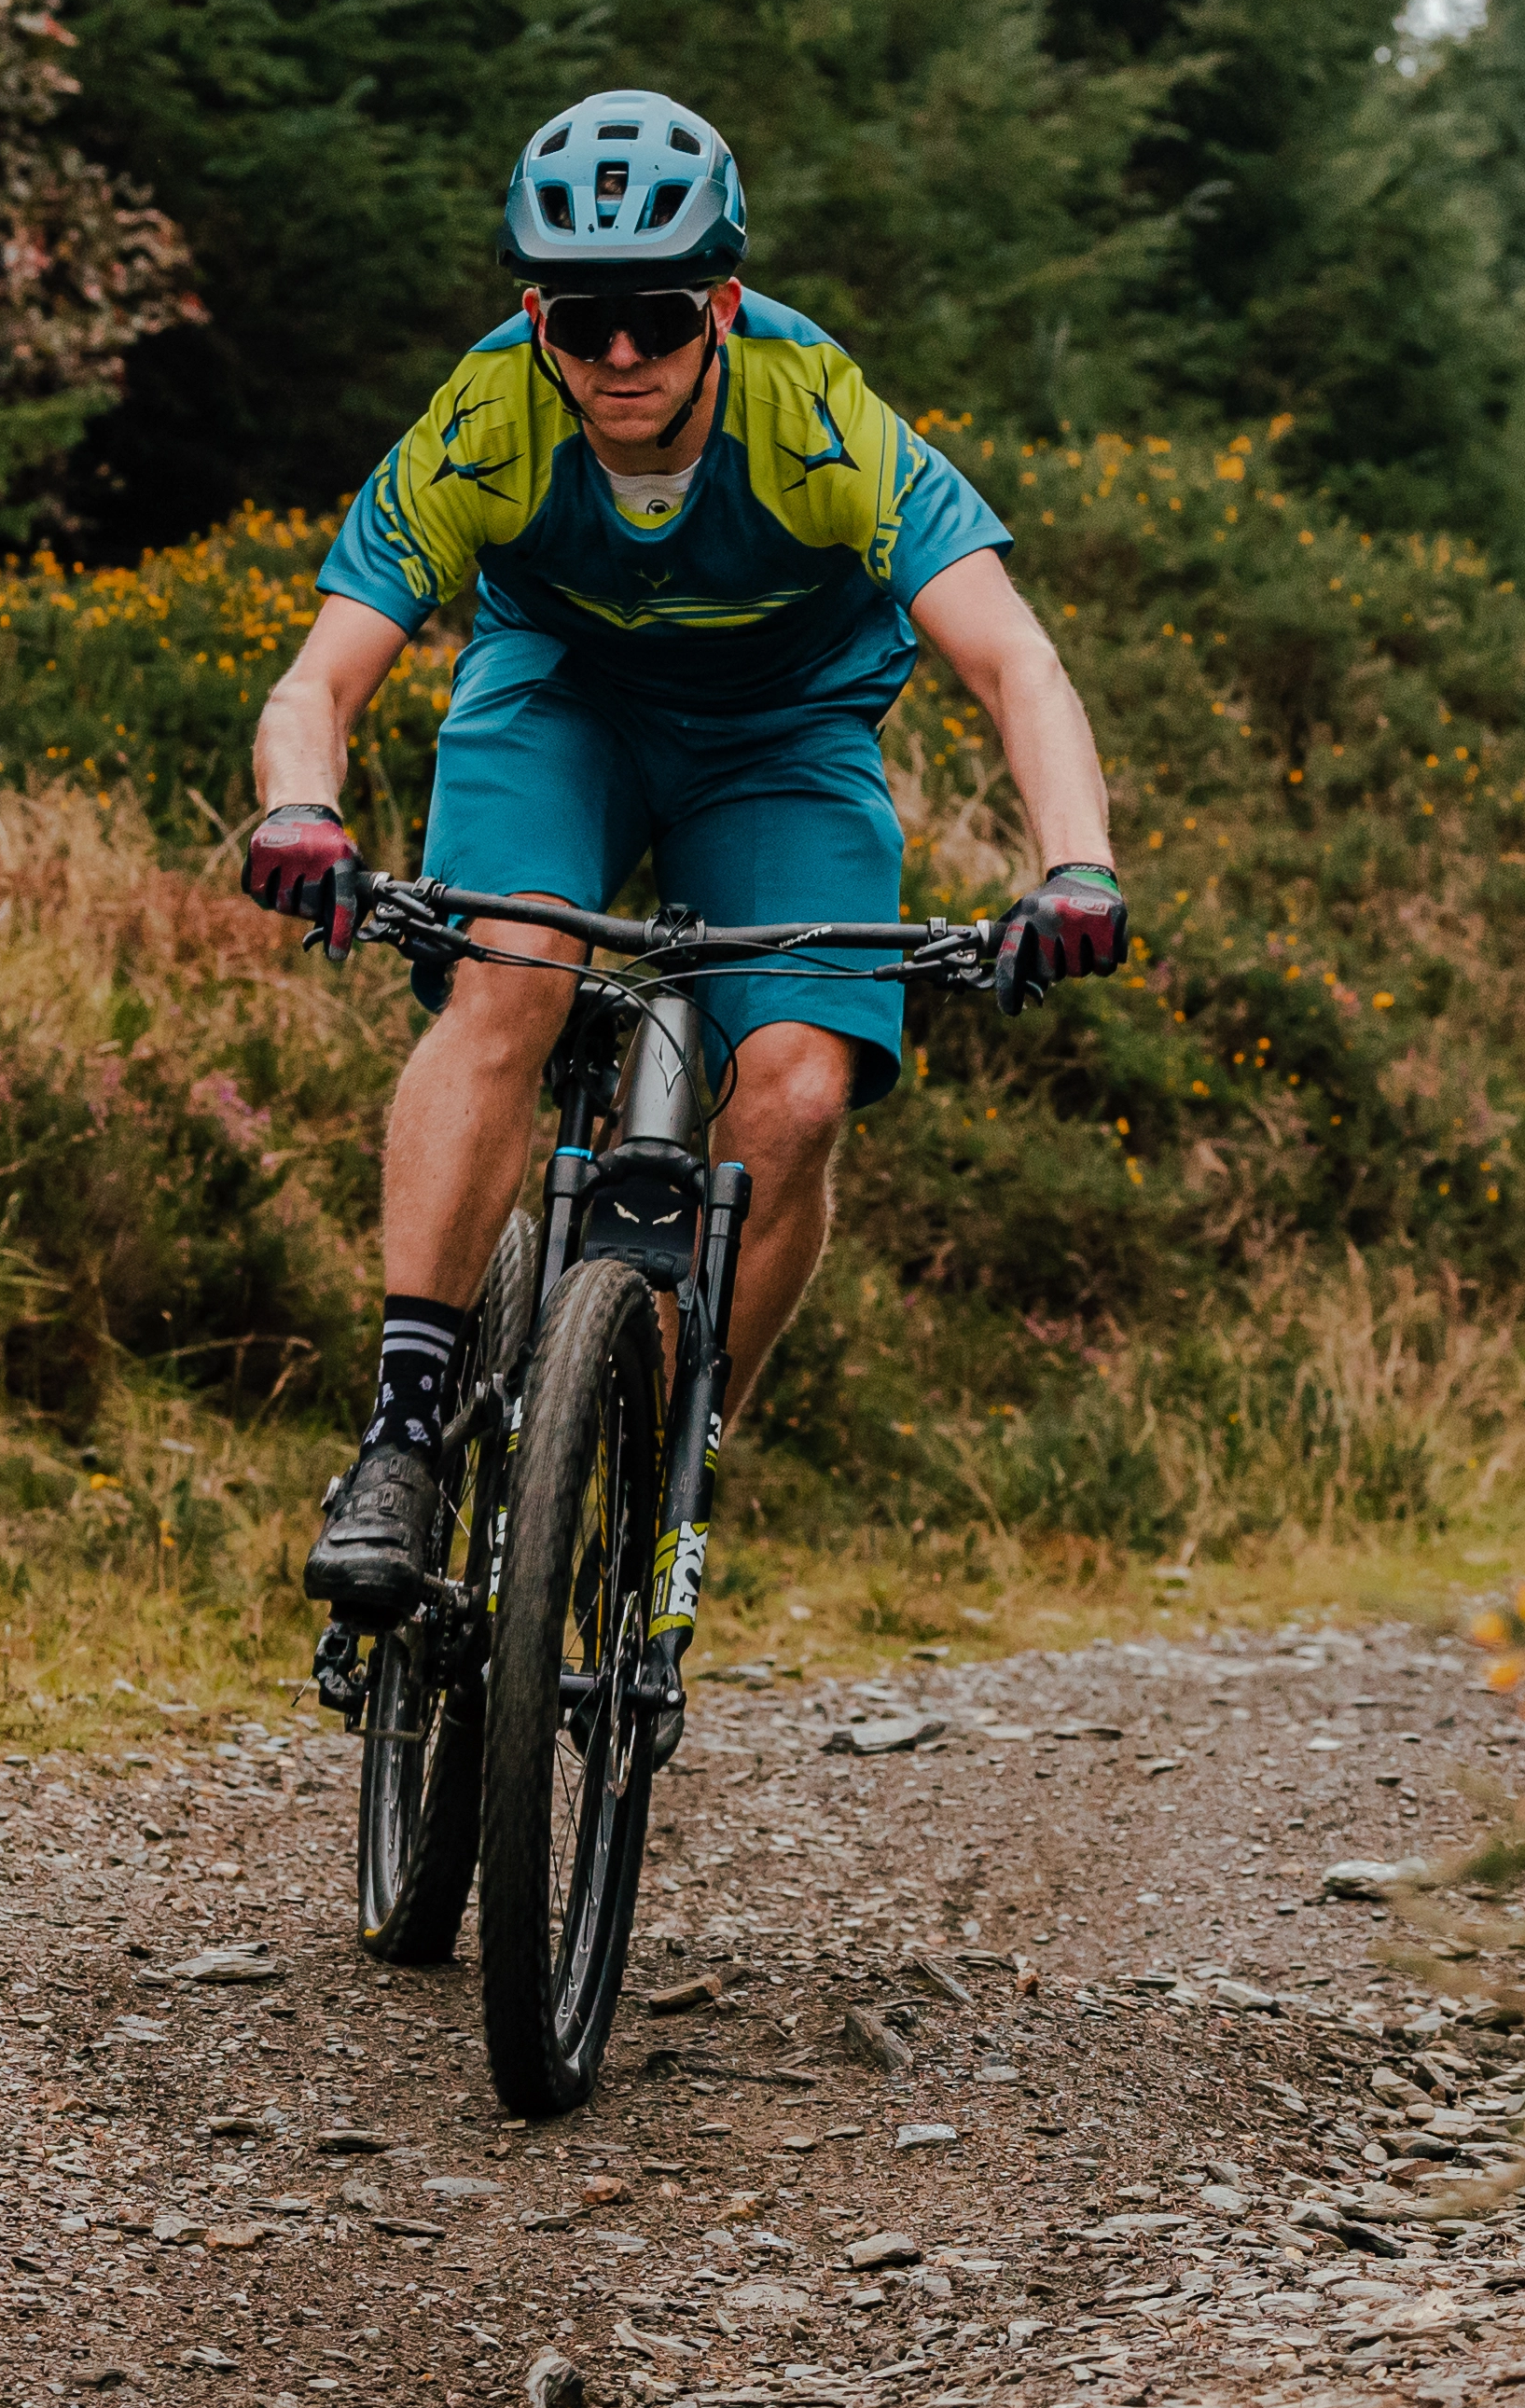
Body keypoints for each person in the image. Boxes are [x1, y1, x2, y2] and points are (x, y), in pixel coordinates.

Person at [236, 88, 1134, 1617]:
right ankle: (399, 1432)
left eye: (657, 315)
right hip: (562, 706)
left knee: (793, 1086)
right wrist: (301, 813)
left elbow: (1014, 660)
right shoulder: (487, 415)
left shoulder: (818, 414)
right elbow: (316, 680)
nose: (623, 357)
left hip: (783, 740)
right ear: (538, 315)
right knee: (509, 983)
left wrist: (1079, 867)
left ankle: (670, 1441)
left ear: (718, 303)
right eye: (584, 322)